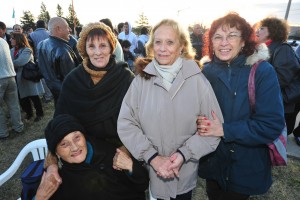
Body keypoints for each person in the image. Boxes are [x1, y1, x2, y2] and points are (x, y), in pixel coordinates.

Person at [117, 19, 223, 200]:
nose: (162, 48)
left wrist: (183, 154)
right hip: (151, 173)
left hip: (184, 173)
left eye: (170, 42)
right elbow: (126, 123)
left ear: (181, 46)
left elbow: (213, 129)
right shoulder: (141, 80)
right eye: (158, 42)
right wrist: (152, 157)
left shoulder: (197, 81)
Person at [196, 12, 285, 200]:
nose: (224, 42)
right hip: (213, 162)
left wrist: (224, 129)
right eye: (218, 37)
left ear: (244, 41)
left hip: (245, 166)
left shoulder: (262, 71)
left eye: (232, 36)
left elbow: (271, 125)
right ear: (211, 42)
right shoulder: (207, 72)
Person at [44, 22, 135, 187]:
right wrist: (51, 162)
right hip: (82, 156)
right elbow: (59, 124)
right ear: (85, 49)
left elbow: (139, 121)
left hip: (119, 155)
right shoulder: (73, 80)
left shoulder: (126, 78)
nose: (98, 52)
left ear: (111, 47)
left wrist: (125, 150)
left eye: (103, 45)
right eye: (92, 46)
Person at [35, 114, 149, 200]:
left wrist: (131, 166)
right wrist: (39, 198)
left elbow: (142, 184)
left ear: (84, 136)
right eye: (64, 144)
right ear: (56, 152)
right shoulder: (57, 179)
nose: (74, 148)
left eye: (77, 138)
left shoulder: (110, 154)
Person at [256, 17, 300, 146]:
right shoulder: (265, 47)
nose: (257, 31)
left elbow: (281, 79)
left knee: (278, 133)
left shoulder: (282, 48)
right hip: (272, 98)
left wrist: (258, 90)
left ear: (273, 31)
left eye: (262, 28)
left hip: (282, 101)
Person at [37, 17, 80, 105]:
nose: (70, 30)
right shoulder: (63, 50)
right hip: (68, 95)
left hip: (54, 90)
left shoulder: (42, 44)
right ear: (58, 29)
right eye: (67, 27)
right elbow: (72, 80)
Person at [10, 33, 45, 122]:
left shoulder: (27, 50)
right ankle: (29, 114)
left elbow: (20, 62)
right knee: (23, 98)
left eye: (12, 38)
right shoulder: (11, 50)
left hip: (27, 77)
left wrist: (9, 64)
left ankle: (39, 114)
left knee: (34, 96)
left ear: (18, 39)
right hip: (17, 78)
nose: (10, 40)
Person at [0, 38, 24, 139]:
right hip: (10, 76)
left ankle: (3, 132)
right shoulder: (3, 41)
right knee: (14, 104)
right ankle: (18, 127)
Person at [28, 19, 53, 103]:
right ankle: (53, 93)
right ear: (45, 25)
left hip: (39, 59)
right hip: (52, 57)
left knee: (44, 78)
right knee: (52, 75)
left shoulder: (32, 35)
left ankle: (48, 95)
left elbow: (30, 48)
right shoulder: (50, 33)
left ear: (36, 25)